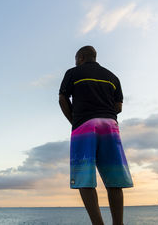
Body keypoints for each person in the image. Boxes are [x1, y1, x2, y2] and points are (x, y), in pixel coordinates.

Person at [59, 46, 133, 225]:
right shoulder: (112, 77)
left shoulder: (73, 72)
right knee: (114, 180)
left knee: (84, 178)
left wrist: (75, 123)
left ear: (81, 57)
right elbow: (119, 107)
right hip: (110, 126)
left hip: (84, 125)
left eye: (76, 58)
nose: (75, 62)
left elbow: (62, 99)